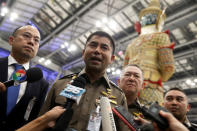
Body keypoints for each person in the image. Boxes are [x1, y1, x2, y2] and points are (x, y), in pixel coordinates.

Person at [39, 31, 128, 131]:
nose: (97, 51)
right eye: (93, 45)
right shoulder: (60, 84)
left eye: (104, 47)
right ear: (83, 53)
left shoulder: (119, 96)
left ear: (112, 59)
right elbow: (40, 123)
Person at [123, 0, 175, 106]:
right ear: (159, 20)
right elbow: (168, 67)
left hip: (128, 86)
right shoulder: (161, 36)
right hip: (151, 85)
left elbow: (125, 68)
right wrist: (161, 77)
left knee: (125, 114)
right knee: (150, 118)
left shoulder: (131, 44)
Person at [0, 25, 49, 131]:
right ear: (11, 40)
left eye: (36, 40)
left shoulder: (42, 84)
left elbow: (34, 119)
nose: (31, 42)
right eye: (26, 36)